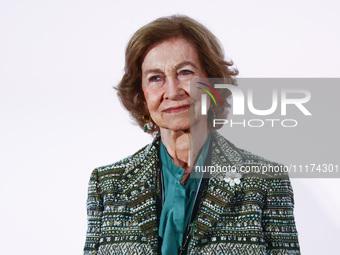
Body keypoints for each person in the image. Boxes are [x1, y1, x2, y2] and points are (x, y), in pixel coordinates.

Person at [83, 15, 300, 255]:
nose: (173, 91)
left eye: (185, 72)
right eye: (155, 78)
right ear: (142, 95)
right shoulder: (107, 184)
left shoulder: (266, 181)